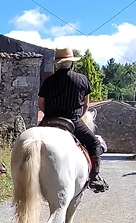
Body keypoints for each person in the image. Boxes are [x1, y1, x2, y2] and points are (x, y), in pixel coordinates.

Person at [38, 48, 106, 192]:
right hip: (72, 120)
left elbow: (41, 105)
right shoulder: (82, 79)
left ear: (57, 64)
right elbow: (86, 105)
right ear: (72, 63)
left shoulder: (48, 81)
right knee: (94, 143)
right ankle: (94, 178)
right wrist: (78, 115)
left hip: (48, 121)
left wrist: (49, 114)